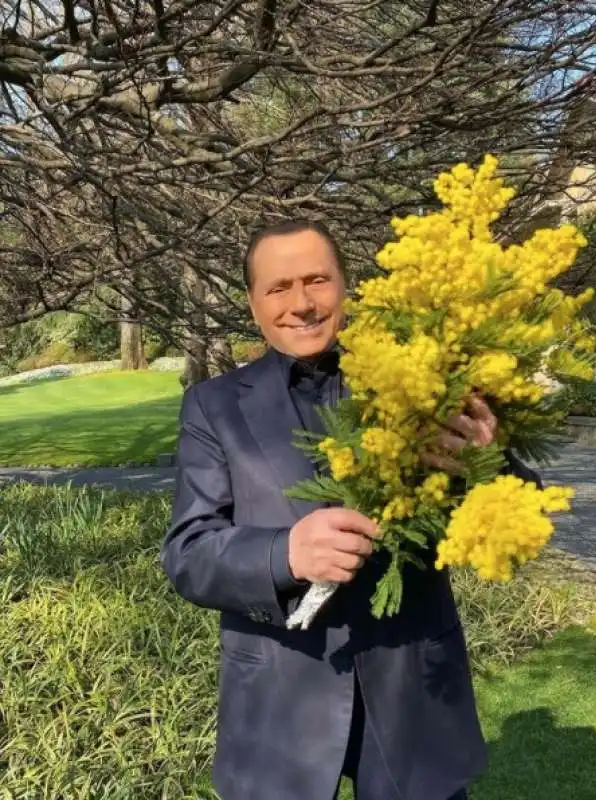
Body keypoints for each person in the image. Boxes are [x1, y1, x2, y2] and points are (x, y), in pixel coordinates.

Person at [161, 220, 541, 800]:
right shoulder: (212, 407)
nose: (303, 304)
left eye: (318, 280)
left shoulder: (425, 372)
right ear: (253, 303)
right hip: (280, 703)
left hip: (412, 687)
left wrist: (489, 463)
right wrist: (284, 553)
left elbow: (523, 509)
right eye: (279, 287)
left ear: (346, 286)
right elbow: (188, 553)